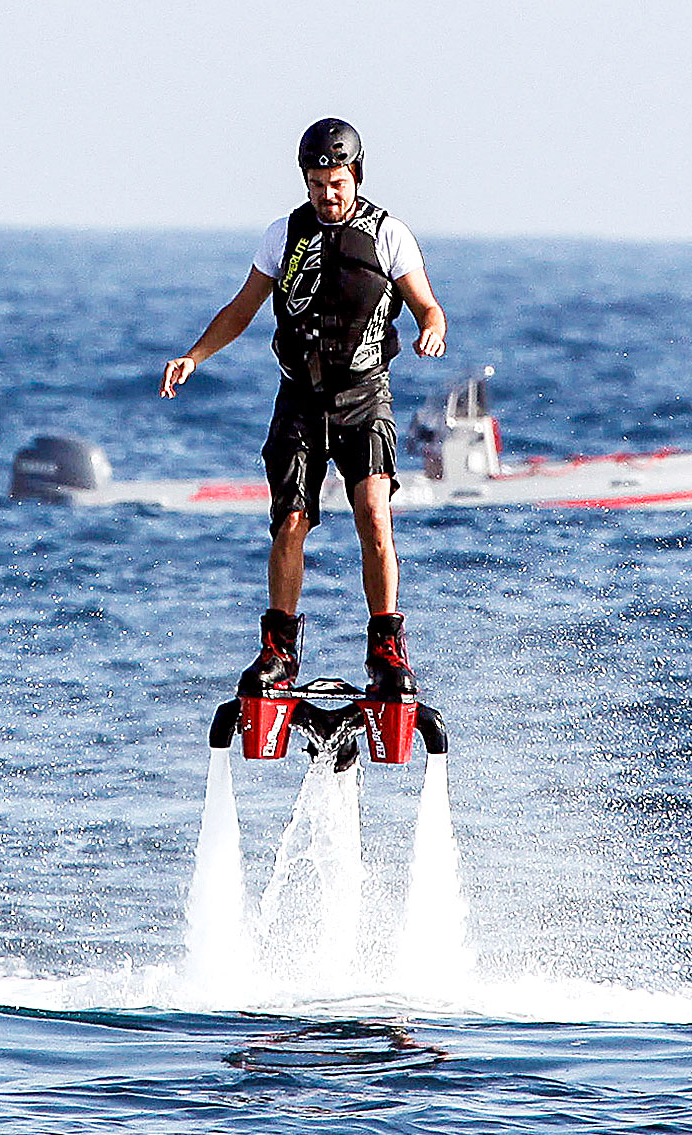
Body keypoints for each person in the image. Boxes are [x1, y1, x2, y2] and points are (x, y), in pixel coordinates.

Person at [161, 117, 447, 699]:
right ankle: (278, 654)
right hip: (299, 397)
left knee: (373, 513)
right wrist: (195, 356)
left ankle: (387, 651)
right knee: (291, 522)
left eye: (336, 183)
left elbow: (427, 306)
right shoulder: (283, 235)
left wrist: (433, 331)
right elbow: (242, 308)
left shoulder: (390, 235)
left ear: (355, 177)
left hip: (363, 396)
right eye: (317, 184)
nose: (327, 194)